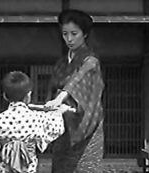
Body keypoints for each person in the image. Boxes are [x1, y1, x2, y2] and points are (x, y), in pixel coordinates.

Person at [0, 71, 72, 173]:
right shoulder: (36, 118)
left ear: (5, 96)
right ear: (28, 96)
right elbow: (56, 127)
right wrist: (60, 111)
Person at [45, 9, 105, 172]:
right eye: (65, 34)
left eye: (74, 33)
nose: (69, 39)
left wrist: (61, 101)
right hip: (63, 127)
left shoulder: (91, 62)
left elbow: (76, 80)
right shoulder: (61, 63)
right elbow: (52, 90)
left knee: (85, 167)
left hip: (86, 128)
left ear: (84, 34)